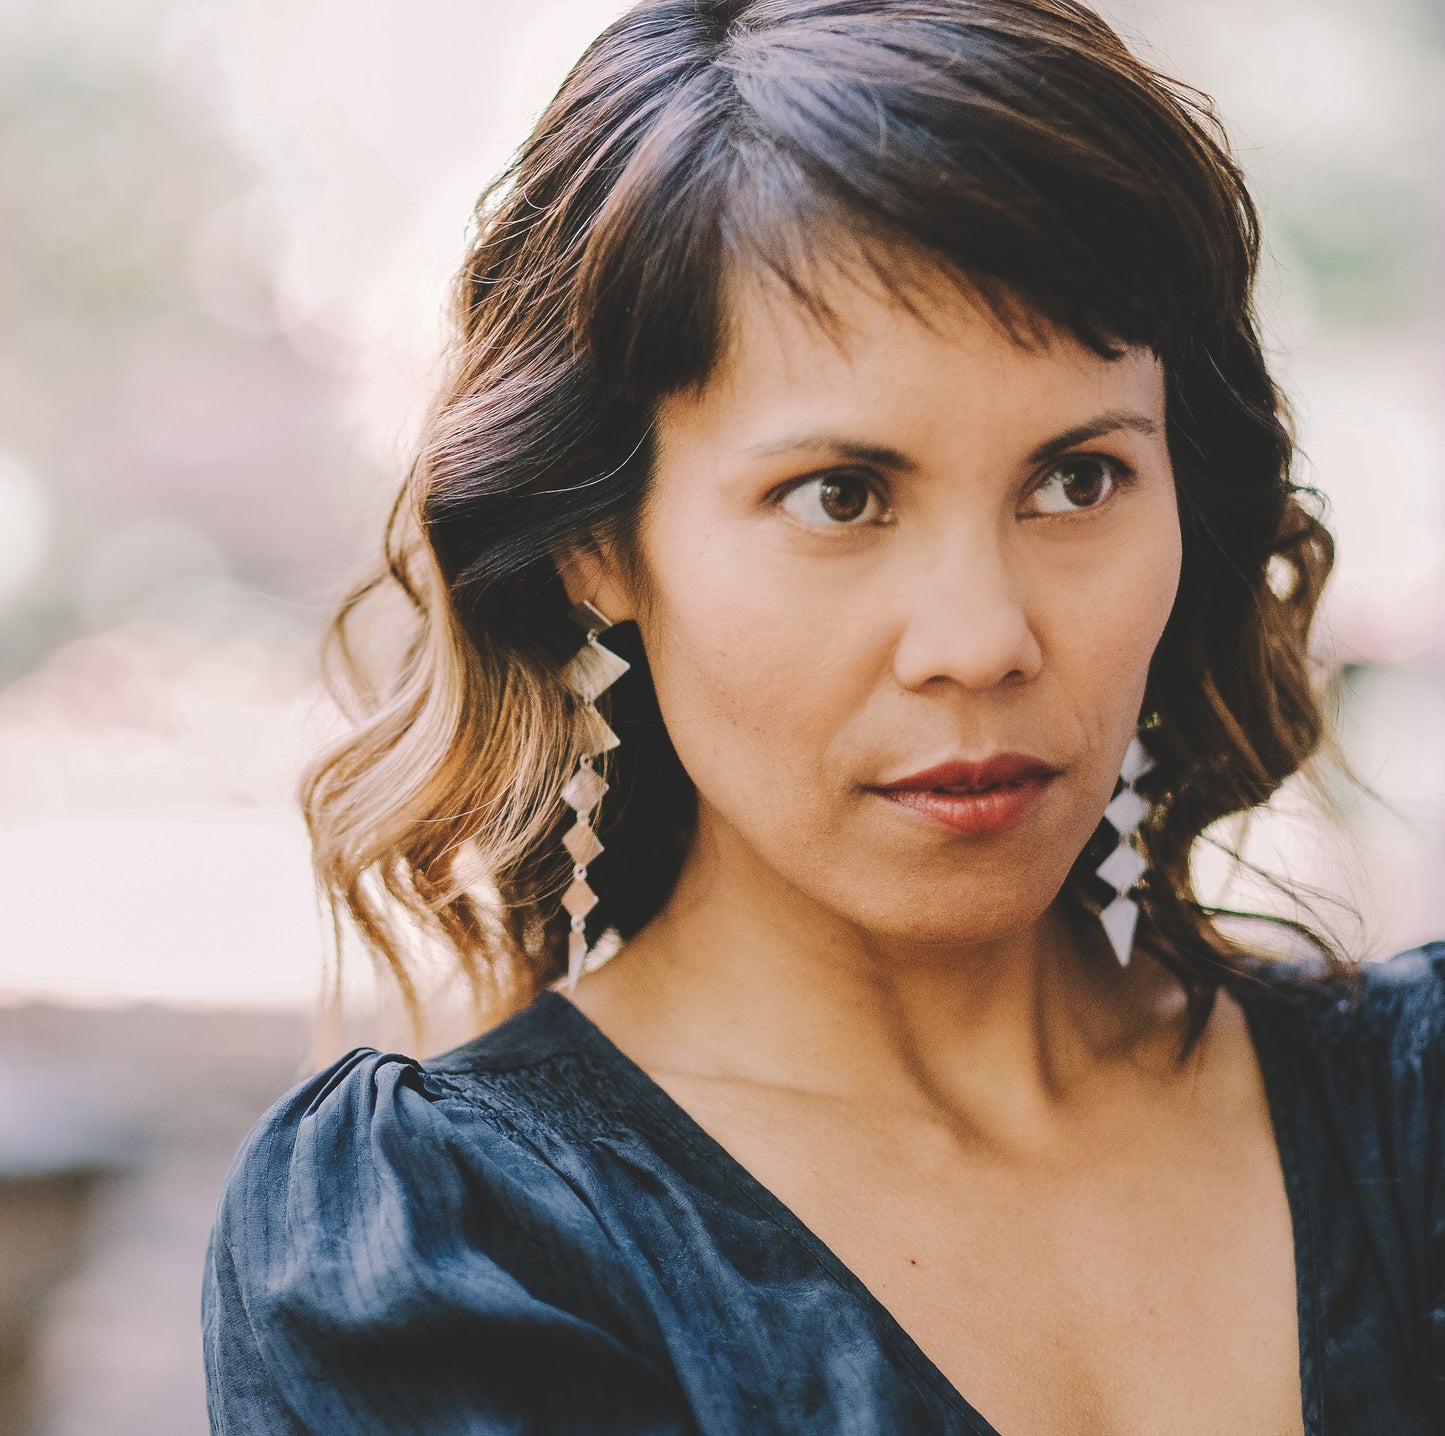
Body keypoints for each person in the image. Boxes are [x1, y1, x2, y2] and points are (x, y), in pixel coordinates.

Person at [201, 1, 1445, 1431]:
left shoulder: (1408, 1126)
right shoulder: (458, 1257)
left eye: (1076, 479)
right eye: (839, 497)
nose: (980, 640)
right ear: (597, 544)